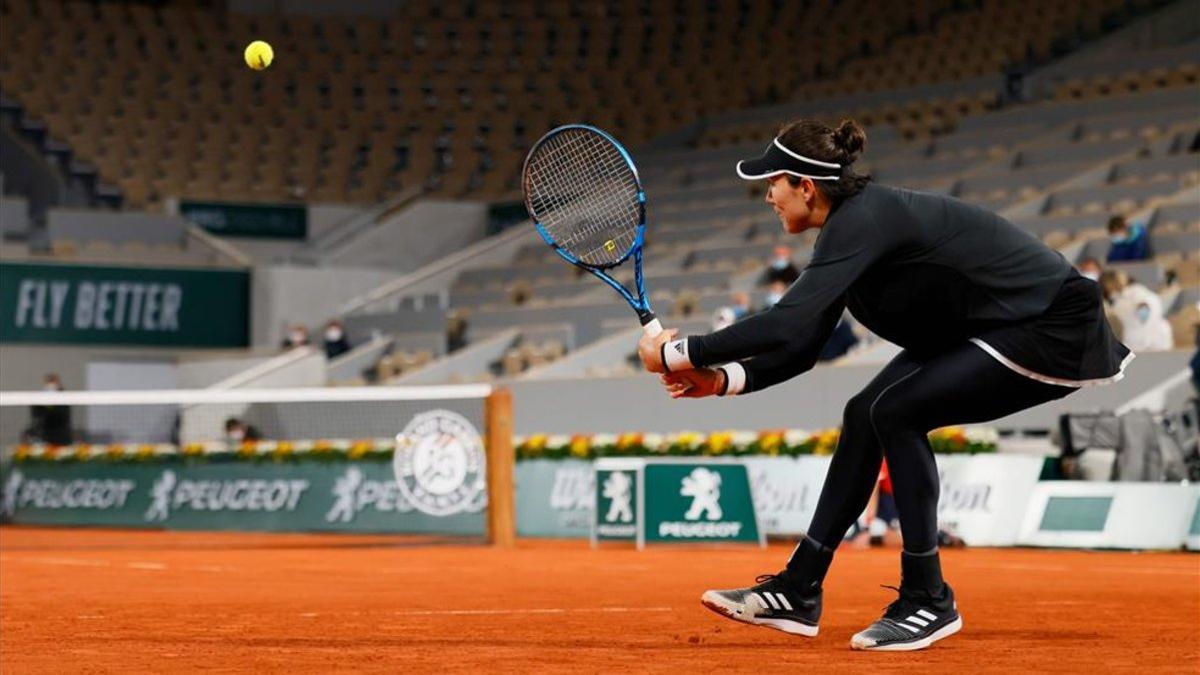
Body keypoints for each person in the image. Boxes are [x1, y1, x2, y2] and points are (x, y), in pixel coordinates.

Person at [636, 118, 1132, 651]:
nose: (767, 198)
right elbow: (802, 345)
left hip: (1052, 324)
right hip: (993, 325)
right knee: (864, 411)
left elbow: (782, 323)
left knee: (897, 411)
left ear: (806, 186)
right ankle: (800, 589)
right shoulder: (850, 233)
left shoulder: (864, 221)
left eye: (772, 184)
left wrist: (675, 351)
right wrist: (722, 380)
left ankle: (929, 598)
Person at [24, 374, 71, 445]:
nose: (51, 385)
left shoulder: (65, 396)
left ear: (58, 383)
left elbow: (62, 414)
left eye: (53, 382)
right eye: (49, 382)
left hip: (61, 436)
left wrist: (51, 406)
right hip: (45, 436)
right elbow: (35, 413)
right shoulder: (40, 397)